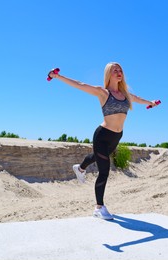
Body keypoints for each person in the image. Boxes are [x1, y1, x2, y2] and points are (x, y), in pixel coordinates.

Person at [48, 62, 159, 220]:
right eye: (115, 70)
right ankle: (99, 208)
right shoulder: (103, 92)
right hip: (102, 135)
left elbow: (138, 99)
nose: (119, 72)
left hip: (116, 137)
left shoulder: (126, 94)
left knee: (97, 157)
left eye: (120, 70)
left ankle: (80, 168)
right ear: (109, 74)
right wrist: (57, 76)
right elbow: (80, 85)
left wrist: (151, 103)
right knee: (104, 170)